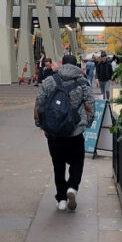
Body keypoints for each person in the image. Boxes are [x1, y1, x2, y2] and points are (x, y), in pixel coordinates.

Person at [34, 53, 94, 211]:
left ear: (61, 64)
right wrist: (87, 123)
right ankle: (72, 187)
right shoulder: (82, 82)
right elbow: (90, 105)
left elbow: (39, 103)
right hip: (75, 131)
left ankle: (61, 199)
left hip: (54, 132)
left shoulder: (49, 80)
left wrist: (40, 124)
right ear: (77, 65)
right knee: (77, 162)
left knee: (58, 165)